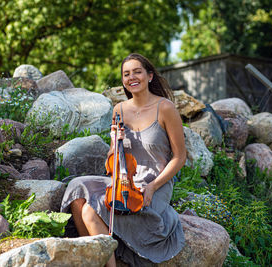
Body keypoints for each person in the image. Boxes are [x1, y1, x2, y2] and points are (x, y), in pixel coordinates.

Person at [60, 53, 187, 267]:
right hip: (123, 179)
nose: (132, 77)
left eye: (137, 72)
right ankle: (95, 256)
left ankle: (107, 263)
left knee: (90, 211)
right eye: (126, 74)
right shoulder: (119, 109)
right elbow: (113, 158)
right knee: (76, 188)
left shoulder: (165, 108)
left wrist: (153, 187)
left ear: (149, 76)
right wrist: (114, 143)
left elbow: (180, 157)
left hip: (155, 182)